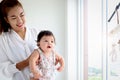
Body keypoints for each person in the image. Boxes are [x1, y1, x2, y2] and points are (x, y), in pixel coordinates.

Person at [0, 0, 41, 80]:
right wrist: (26, 62)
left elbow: (48, 54)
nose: (20, 21)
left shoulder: (37, 32)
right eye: (13, 17)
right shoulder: (3, 40)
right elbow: (4, 70)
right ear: (7, 20)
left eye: (22, 15)